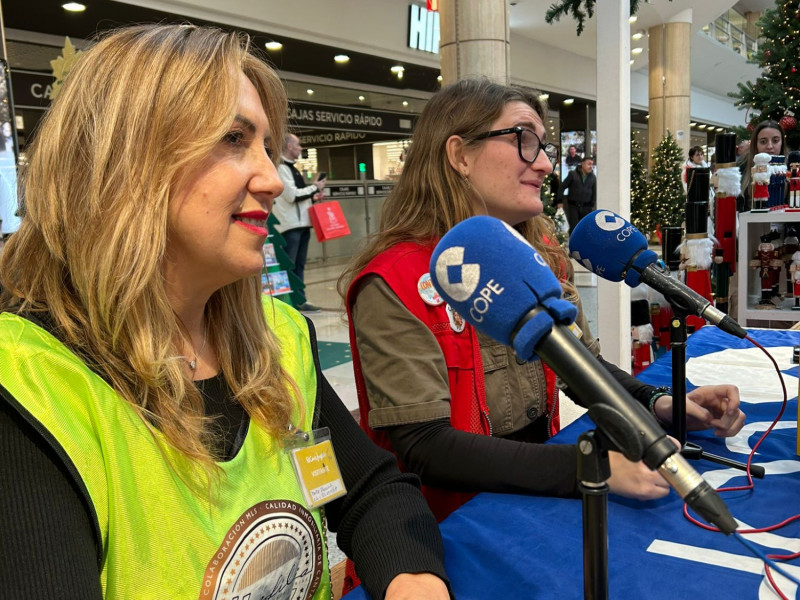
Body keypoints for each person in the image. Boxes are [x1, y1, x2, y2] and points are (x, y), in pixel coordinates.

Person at [0, 24, 451, 600]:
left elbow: (369, 490)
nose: (268, 179)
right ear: (126, 158)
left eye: (266, 144)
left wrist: (412, 579)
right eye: (234, 139)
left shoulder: (279, 338)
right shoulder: (31, 387)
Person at [339, 78, 746, 522]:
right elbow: (425, 448)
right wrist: (589, 469)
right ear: (459, 155)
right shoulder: (393, 280)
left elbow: (583, 370)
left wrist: (657, 401)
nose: (547, 164)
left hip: (534, 509)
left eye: (545, 145)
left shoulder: (543, 255)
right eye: (525, 141)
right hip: (447, 533)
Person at [272, 132, 327, 312]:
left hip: (302, 223)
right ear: (289, 146)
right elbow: (292, 195)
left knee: (300, 264)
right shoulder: (281, 168)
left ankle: (300, 300)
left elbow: (300, 194)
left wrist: (314, 195)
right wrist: (315, 187)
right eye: (298, 145)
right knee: (290, 264)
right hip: (290, 226)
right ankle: (290, 302)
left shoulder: (293, 168)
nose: (301, 148)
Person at [739, 120, 785, 212]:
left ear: (782, 143)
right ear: (756, 144)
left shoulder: (792, 167)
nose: (769, 146)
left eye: (775, 141)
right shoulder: (742, 169)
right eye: (763, 142)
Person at [561, 154, 597, 234]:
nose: (591, 166)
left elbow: (594, 192)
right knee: (574, 228)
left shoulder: (593, 177)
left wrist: (592, 204)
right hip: (573, 206)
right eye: (589, 164)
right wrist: (559, 201)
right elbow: (562, 187)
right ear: (582, 164)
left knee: (585, 228)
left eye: (592, 164)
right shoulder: (573, 174)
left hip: (586, 207)